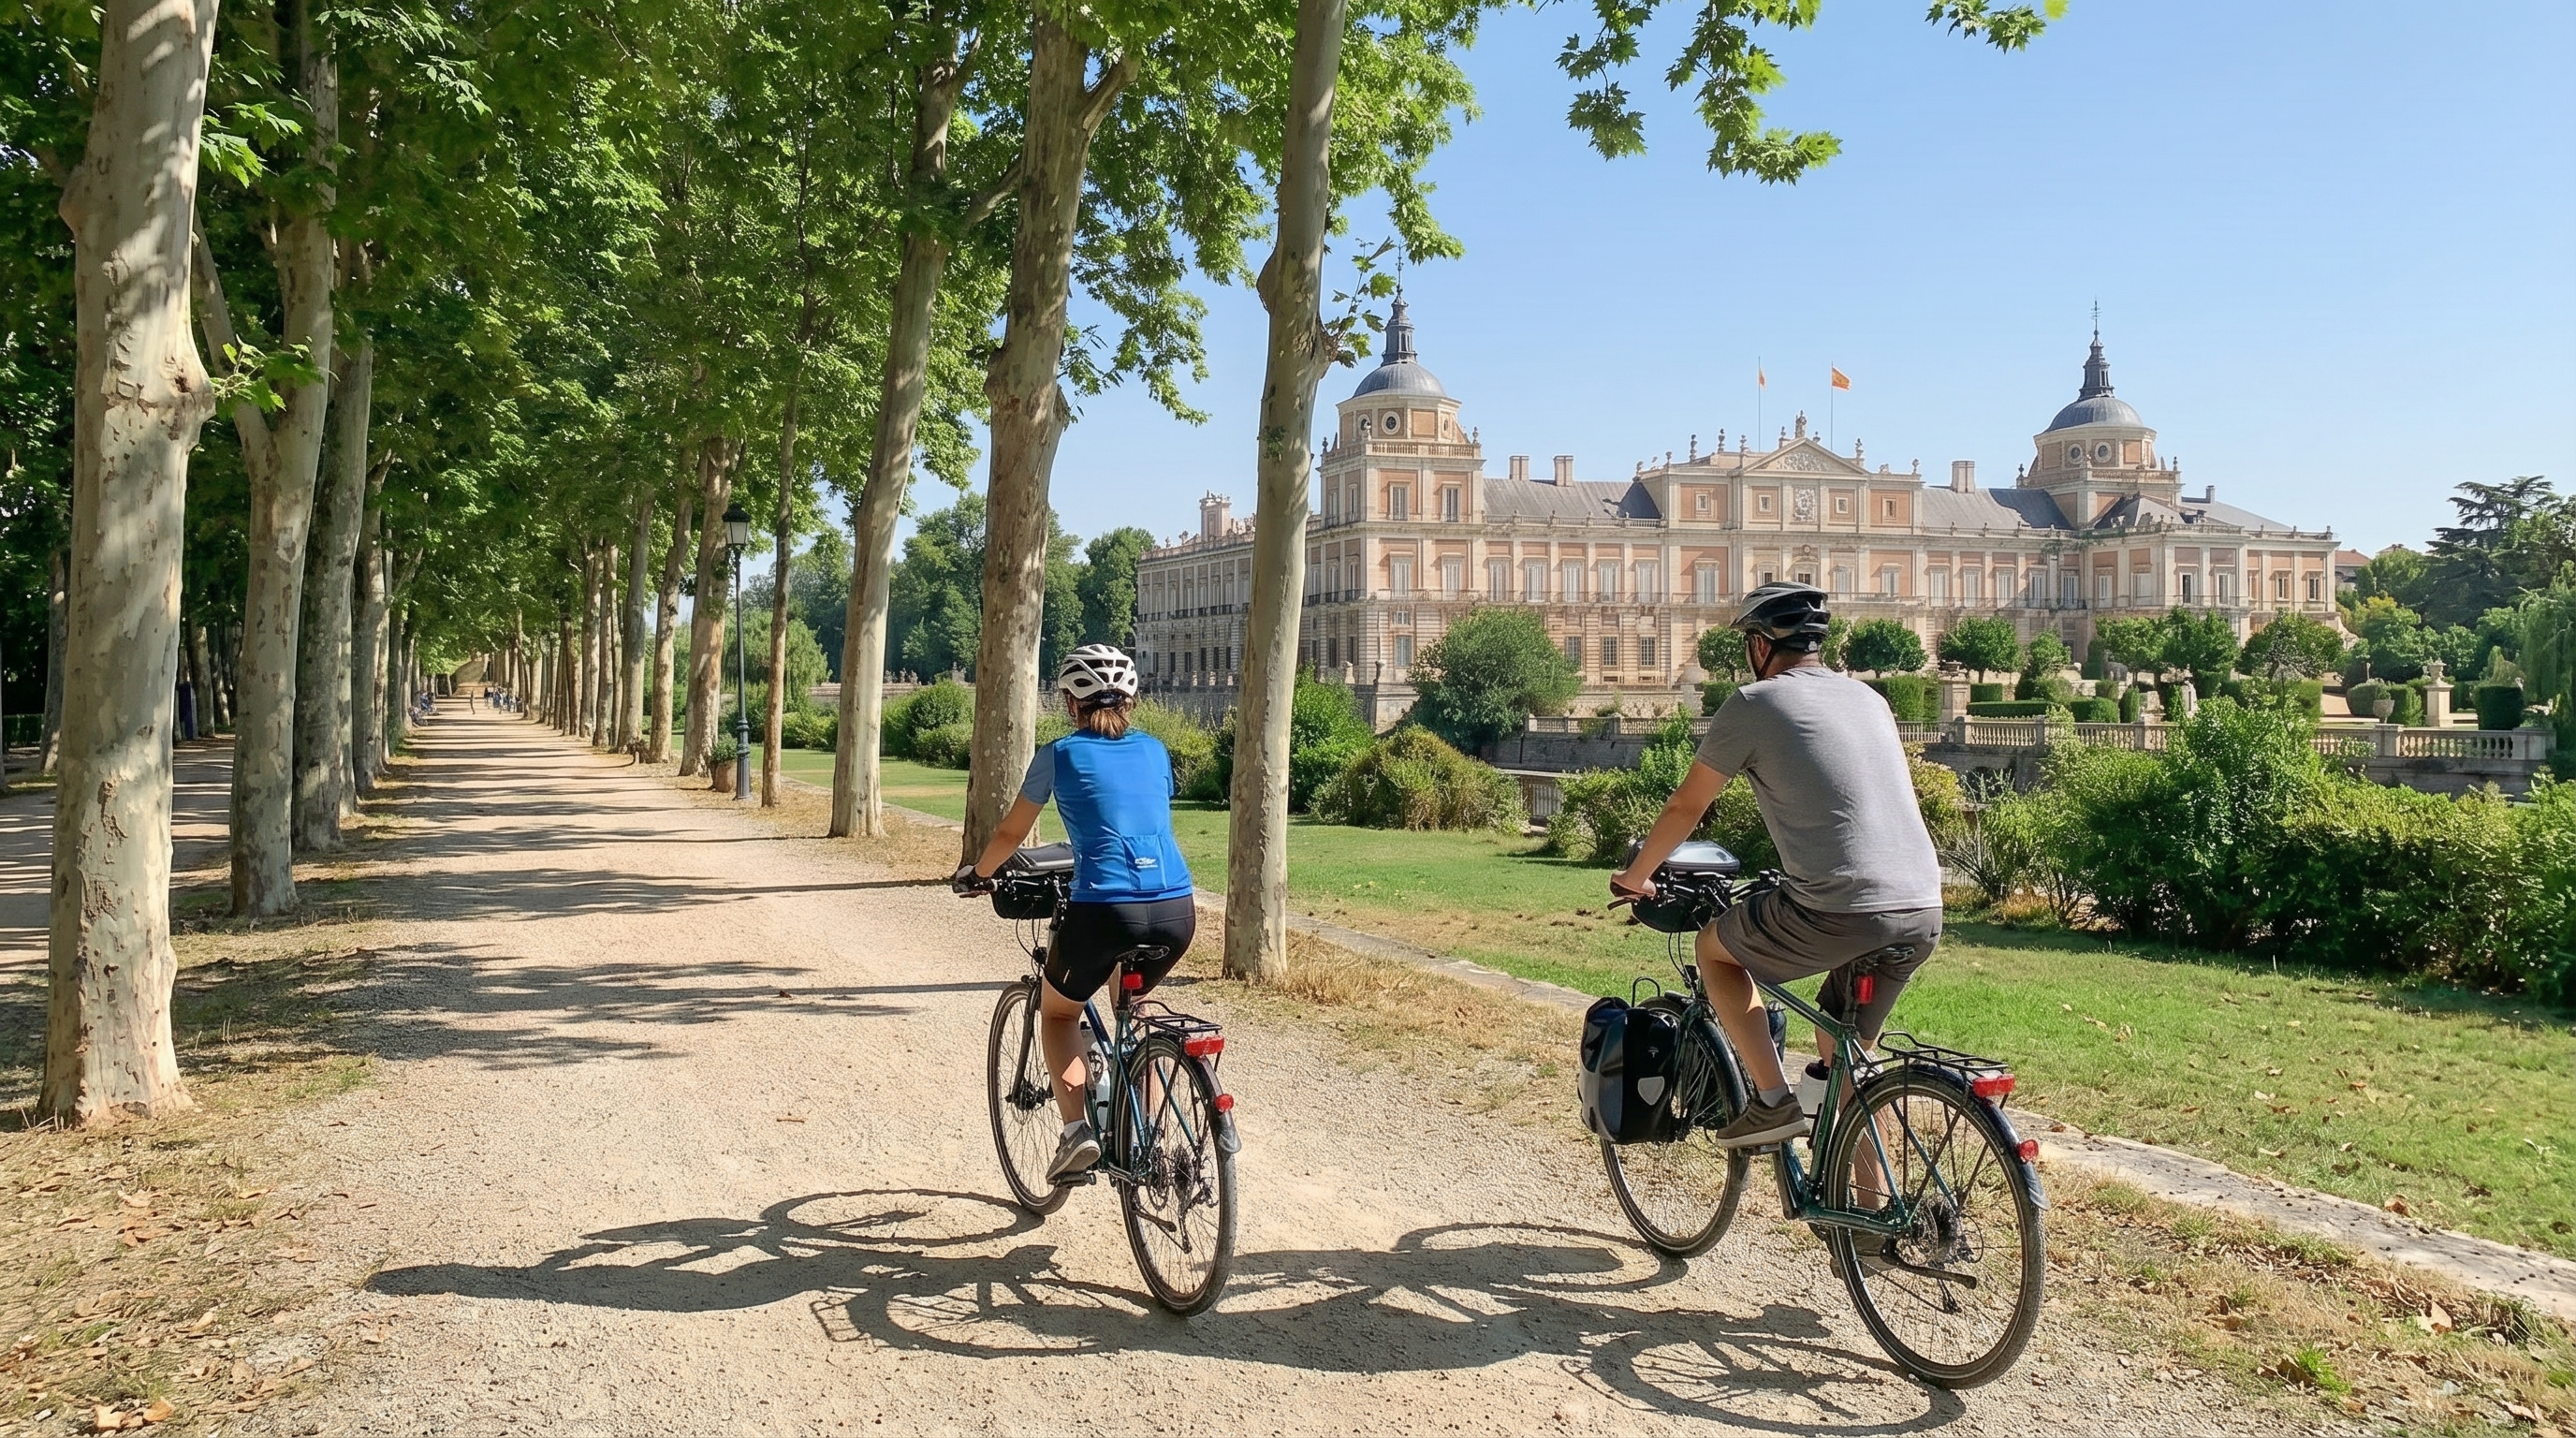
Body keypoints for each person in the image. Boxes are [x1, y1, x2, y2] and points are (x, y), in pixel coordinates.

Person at [1610, 581, 1944, 1148]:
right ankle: (1870, 1223)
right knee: (1847, 1057)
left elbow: (1686, 805)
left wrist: (1636, 876)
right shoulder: (1870, 699)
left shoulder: (1754, 704)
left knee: (1713, 950)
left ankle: (1771, 1102)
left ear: (1760, 647)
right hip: (1922, 906)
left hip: (1839, 909)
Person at [954, 644, 1195, 1182]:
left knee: (1059, 1012)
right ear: (1131, 699)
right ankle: (1148, 1136)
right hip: (1177, 907)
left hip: (1103, 909)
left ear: (1069, 702)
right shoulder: (1156, 751)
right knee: (1137, 1005)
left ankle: (1076, 1133)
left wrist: (979, 874)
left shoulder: (1059, 754)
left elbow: (1012, 833)